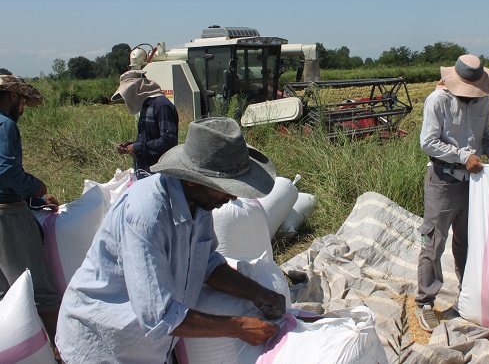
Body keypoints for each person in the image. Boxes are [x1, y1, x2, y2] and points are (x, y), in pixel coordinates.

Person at [56, 117, 287, 363]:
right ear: (191, 178)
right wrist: (239, 326)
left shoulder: (200, 204)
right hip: (103, 344)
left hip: (147, 346)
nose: (231, 196)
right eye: (223, 187)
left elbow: (206, 264)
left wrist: (257, 292)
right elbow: (158, 317)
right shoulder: (146, 216)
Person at [415, 55, 489, 332]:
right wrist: (463, 157)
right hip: (443, 180)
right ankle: (425, 301)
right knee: (433, 240)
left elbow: (485, 136)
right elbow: (428, 142)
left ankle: (467, 296)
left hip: (473, 183)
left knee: (468, 241)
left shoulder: (483, 100)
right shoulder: (437, 100)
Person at [0, 75, 62, 350]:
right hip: (8, 216)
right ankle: (63, 350)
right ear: (13, 96)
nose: (23, 108)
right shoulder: (5, 125)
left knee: (6, 294)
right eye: (23, 101)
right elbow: (6, 172)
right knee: (40, 289)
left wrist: (35, 202)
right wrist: (36, 187)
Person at [112, 70, 178, 179]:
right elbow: (150, 139)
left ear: (137, 89)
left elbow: (168, 141)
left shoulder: (161, 105)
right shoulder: (146, 107)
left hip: (159, 174)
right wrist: (129, 146)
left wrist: (137, 148)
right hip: (146, 172)